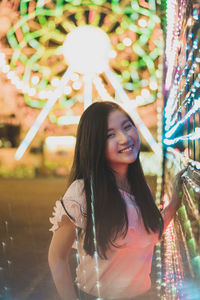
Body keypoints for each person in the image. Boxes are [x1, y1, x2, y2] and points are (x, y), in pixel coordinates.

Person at [48, 101, 185, 300]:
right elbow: (57, 256)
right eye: (110, 135)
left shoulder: (140, 188)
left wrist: (174, 202)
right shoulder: (82, 193)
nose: (124, 138)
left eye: (127, 126)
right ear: (94, 144)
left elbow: (147, 231)